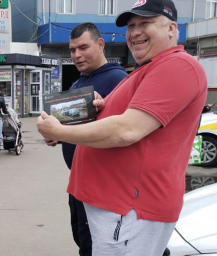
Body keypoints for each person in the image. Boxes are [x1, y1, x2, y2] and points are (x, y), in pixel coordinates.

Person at [36, 0, 208, 254]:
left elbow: (127, 130)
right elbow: (128, 121)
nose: (135, 32)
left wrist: (59, 131)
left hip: (129, 208)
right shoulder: (149, 68)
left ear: (171, 29)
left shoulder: (177, 65)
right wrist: (101, 109)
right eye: (131, 25)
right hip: (117, 207)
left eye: (145, 23)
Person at [52, 22, 127, 256]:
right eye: (72, 50)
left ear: (100, 44)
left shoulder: (118, 80)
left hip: (102, 186)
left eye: (83, 47)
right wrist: (55, 134)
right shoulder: (77, 82)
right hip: (78, 180)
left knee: (95, 244)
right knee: (81, 237)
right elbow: (68, 126)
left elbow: (124, 132)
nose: (76, 55)